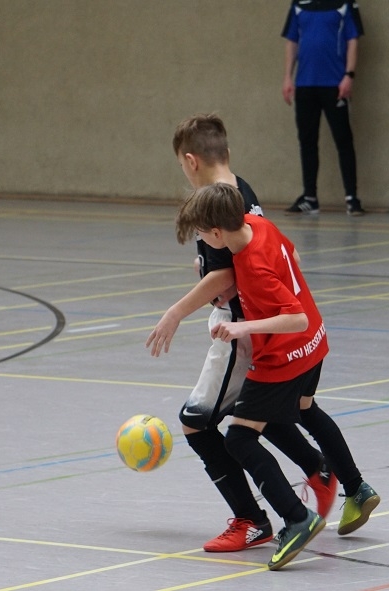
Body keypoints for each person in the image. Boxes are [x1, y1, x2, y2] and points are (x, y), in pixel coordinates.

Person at [146, 114, 338, 553]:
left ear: (190, 160)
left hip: (241, 332)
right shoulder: (238, 192)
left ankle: (256, 519)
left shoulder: (219, 206)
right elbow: (286, 256)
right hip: (262, 331)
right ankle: (315, 471)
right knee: (247, 415)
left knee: (198, 423)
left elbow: (234, 275)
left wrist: (177, 312)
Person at [173, 182, 380, 571]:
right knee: (291, 413)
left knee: (239, 438)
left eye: (201, 234)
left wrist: (243, 327)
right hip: (315, 343)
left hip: (284, 355)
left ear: (216, 233)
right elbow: (292, 264)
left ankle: (296, 519)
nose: (202, 241)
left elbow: (293, 316)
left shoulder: (251, 266)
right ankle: (338, 479)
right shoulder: (258, 225)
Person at [281, 0, 365, 216]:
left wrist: (349, 75)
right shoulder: (299, 5)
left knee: (343, 140)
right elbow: (292, 41)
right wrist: (288, 77)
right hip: (305, 84)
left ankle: (352, 198)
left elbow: (353, 39)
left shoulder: (345, 4)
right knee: (307, 141)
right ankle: (310, 198)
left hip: (335, 84)